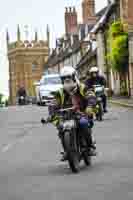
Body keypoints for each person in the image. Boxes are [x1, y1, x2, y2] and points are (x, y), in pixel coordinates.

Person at [47, 66, 97, 161]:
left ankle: (90, 146)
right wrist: (51, 114)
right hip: (66, 116)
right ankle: (67, 150)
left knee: (83, 123)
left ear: (74, 77)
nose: (67, 81)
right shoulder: (60, 92)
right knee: (61, 127)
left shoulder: (82, 88)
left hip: (82, 114)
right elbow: (53, 103)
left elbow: (91, 96)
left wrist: (90, 106)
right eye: (64, 79)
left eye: (69, 78)